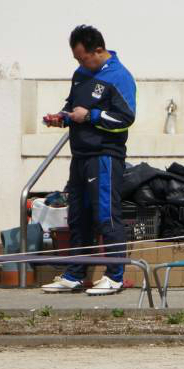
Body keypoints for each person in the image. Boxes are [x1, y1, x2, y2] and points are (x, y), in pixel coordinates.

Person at [42, 25, 137, 296]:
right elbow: (73, 107)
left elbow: (126, 118)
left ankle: (115, 276)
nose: (80, 64)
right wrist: (62, 117)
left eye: (83, 58)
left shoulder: (120, 77)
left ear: (98, 51)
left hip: (104, 156)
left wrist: (91, 116)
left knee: (106, 215)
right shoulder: (81, 74)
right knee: (78, 217)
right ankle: (74, 274)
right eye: (76, 59)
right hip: (80, 156)